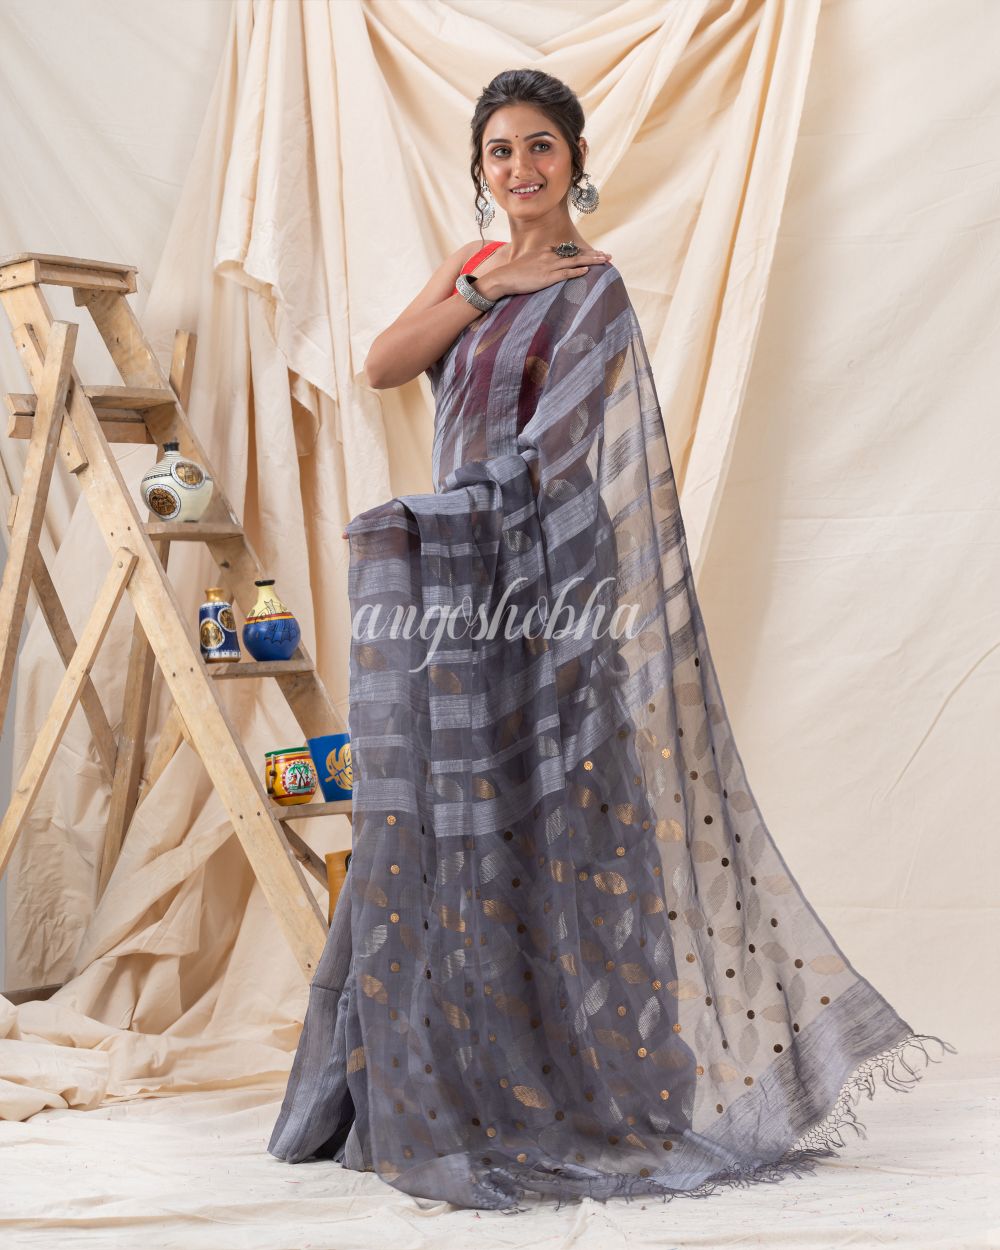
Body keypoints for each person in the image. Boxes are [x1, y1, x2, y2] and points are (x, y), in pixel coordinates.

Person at [268, 68, 954, 1213]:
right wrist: (482, 288)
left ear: (576, 160)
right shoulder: (471, 270)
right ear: (480, 168)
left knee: (551, 809)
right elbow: (383, 364)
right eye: (500, 151)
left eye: (541, 147)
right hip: (457, 575)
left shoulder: (595, 286)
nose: (520, 168)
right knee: (446, 805)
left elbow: (555, 449)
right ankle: (452, 1071)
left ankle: (566, 1072)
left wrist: (450, 506)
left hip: (548, 574)